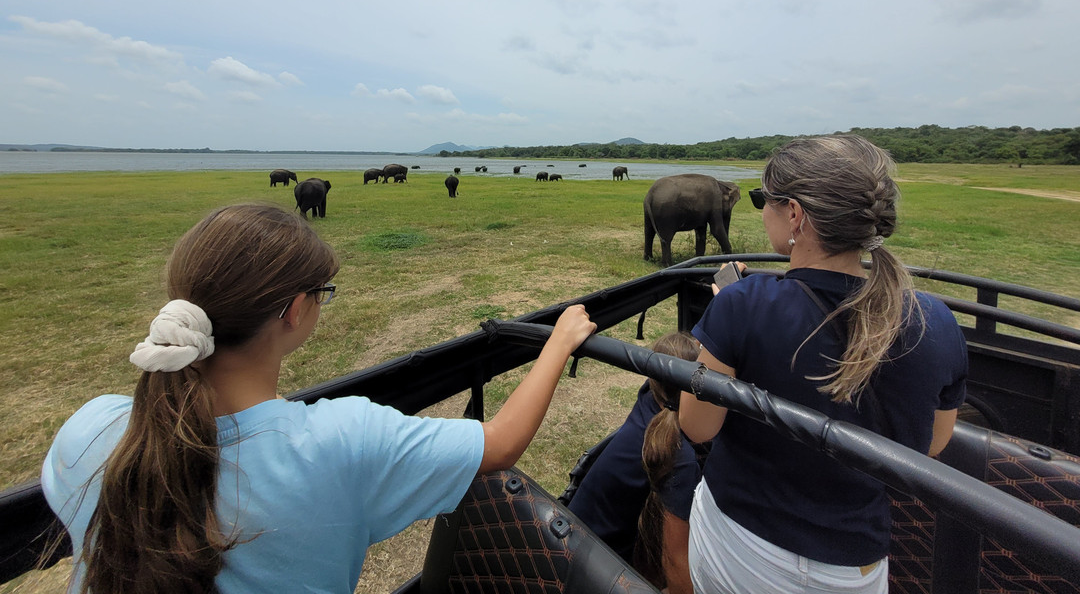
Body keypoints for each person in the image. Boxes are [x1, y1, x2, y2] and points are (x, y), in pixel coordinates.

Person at [41, 203, 596, 594]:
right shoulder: (340, 442)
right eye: (321, 294)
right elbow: (497, 445)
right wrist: (559, 341)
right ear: (294, 311)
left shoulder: (88, 431)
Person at [679, 135, 968, 594]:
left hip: (739, 543)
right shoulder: (933, 318)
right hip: (855, 570)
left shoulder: (743, 304)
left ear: (794, 214)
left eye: (763, 200)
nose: (761, 210)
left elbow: (697, 427)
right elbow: (932, 443)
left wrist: (729, 322)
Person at [568, 331, 703, 594]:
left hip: (573, 536)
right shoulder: (678, 457)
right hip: (595, 569)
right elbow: (676, 567)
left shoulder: (649, 401)